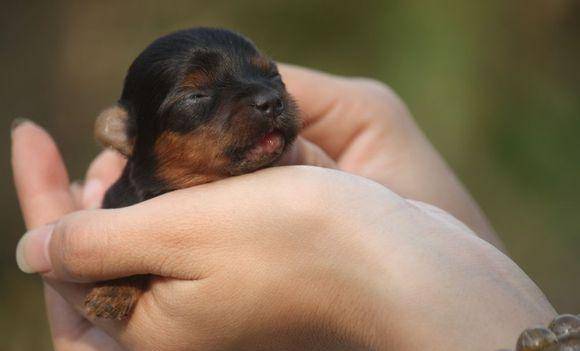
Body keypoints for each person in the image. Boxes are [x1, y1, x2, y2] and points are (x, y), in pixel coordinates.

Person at [12, 65, 555, 351]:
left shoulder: (316, 177)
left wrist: (391, 258)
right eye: (198, 98)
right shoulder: (122, 208)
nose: (266, 99)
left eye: (269, 79)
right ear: (126, 137)